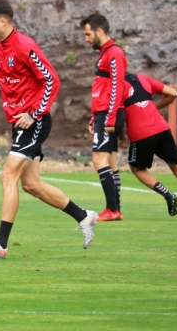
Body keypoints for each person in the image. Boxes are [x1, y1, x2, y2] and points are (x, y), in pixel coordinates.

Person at [0, 0, 98, 258]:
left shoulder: (24, 45)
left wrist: (33, 113)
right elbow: (4, 77)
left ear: (2, 21)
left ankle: (0, 243)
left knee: (8, 176)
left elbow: (52, 80)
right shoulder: (1, 48)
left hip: (34, 122)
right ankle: (84, 216)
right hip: (20, 123)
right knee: (31, 185)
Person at [120, 73, 177, 222]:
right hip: (162, 129)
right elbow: (173, 93)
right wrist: (154, 108)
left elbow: (120, 117)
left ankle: (168, 194)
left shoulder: (116, 87)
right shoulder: (143, 78)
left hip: (141, 135)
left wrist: (120, 137)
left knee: (137, 169)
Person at [80, 12, 126, 221]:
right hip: (103, 113)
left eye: (88, 34)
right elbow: (103, 88)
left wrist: (109, 117)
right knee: (111, 162)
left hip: (109, 114)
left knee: (99, 160)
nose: (86, 39)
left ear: (99, 31)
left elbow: (118, 86)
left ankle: (112, 210)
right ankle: (115, 209)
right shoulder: (105, 54)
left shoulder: (114, 53)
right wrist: (93, 117)